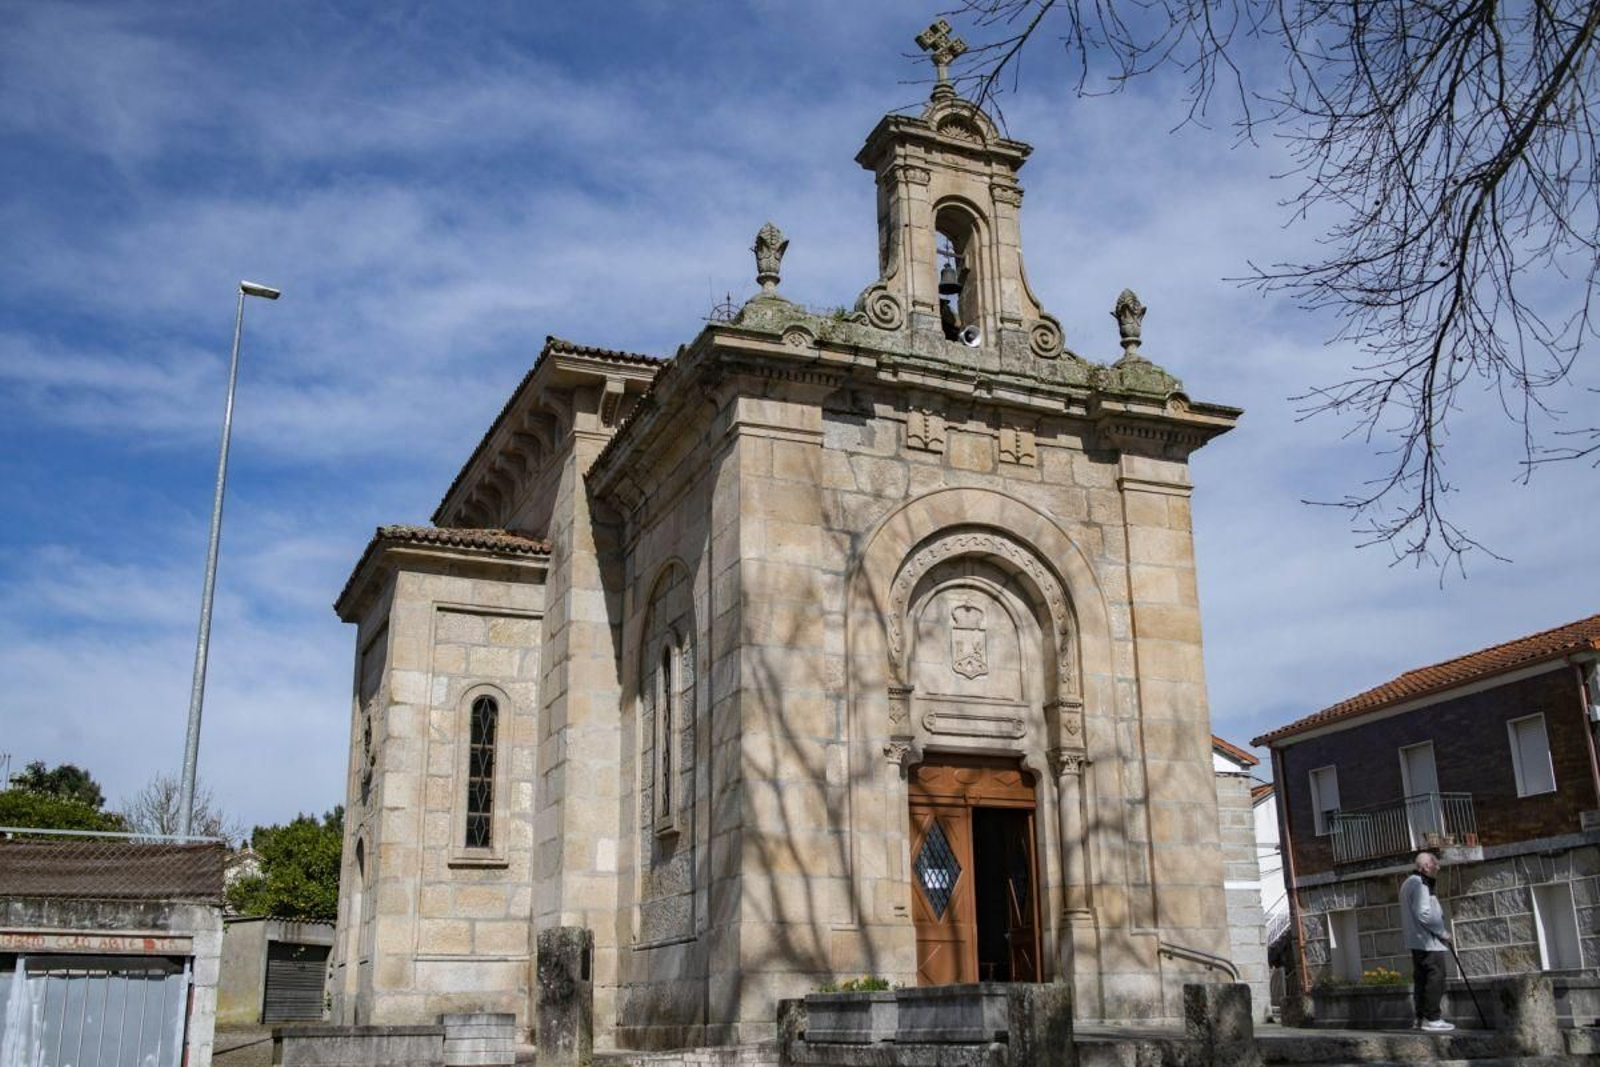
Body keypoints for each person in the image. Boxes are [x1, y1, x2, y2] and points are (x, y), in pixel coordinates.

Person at [1400, 850, 1454, 1032]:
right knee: (1436, 976)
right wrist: (1442, 932)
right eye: (1435, 864)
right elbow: (1424, 914)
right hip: (1428, 941)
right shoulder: (1421, 883)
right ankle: (1433, 1018)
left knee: (1422, 979)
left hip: (1416, 941)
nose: (1438, 868)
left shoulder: (1408, 883)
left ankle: (1421, 1018)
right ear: (1426, 867)